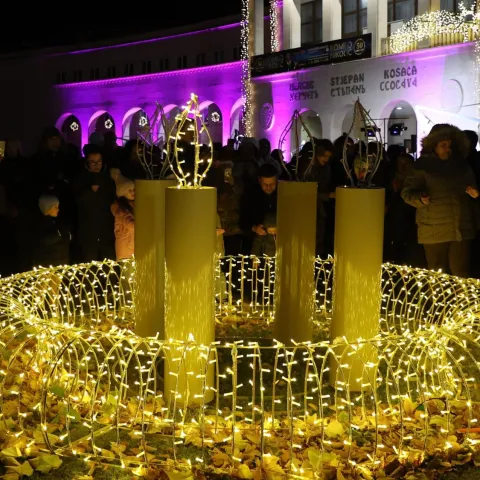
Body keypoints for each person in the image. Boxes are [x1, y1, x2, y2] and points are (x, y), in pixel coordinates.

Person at [402, 124, 479, 277]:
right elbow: (407, 193)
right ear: (433, 145)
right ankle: (439, 301)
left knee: (461, 273)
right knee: (438, 274)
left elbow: (473, 188)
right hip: (433, 229)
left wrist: (475, 194)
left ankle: (460, 301)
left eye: (450, 145)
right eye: (443, 145)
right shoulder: (422, 166)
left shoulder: (462, 166)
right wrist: (420, 199)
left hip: (461, 230)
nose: (447, 149)